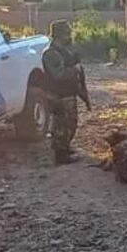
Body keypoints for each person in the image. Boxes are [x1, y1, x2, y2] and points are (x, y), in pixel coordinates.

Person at [42, 20, 82, 164]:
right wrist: (74, 70)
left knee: (70, 124)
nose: (69, 36)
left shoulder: (64, 51)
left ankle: (64, 148)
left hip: (67, 93)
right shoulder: (51, 53)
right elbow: (58, 75)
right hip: (59, 95)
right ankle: (61, 155)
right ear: (59, 36)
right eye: (66, 34)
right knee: (61, 125)